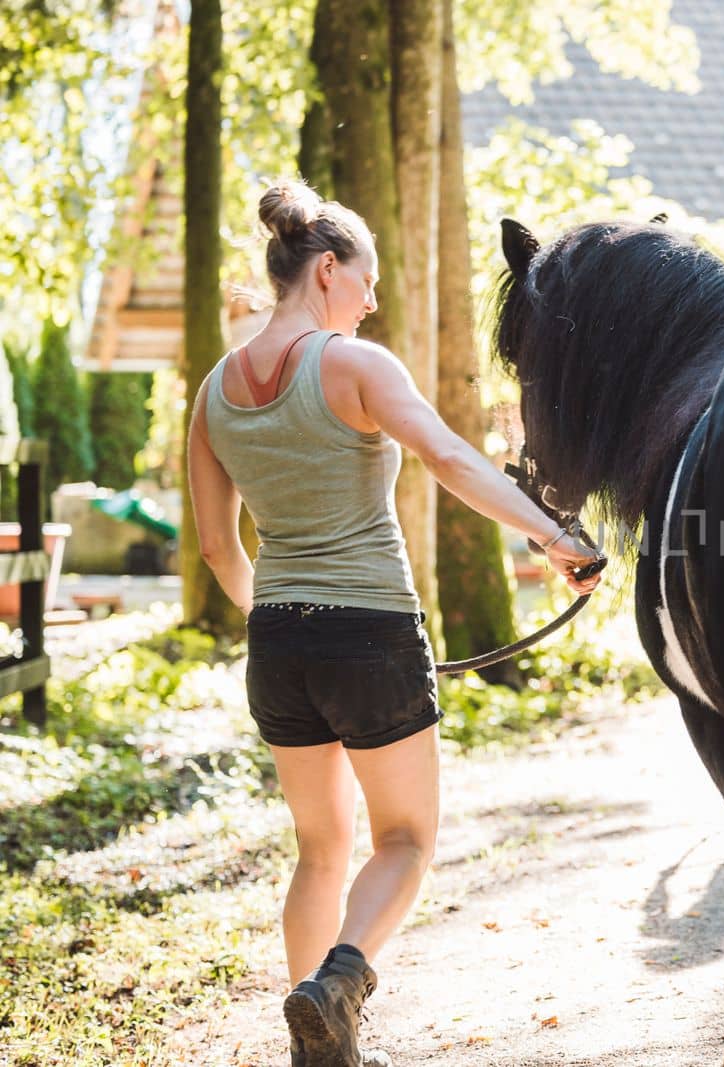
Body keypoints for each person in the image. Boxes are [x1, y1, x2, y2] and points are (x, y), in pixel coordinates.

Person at [188, 180, 602, 1067]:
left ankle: (316, 1045)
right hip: (371, 633)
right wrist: (556, 535)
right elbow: (449, 456)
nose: (373, 300)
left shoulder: (214, 391)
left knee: (318, 849)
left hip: (277, 639)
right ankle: (338, 983)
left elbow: (220, 550)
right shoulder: (355, 366)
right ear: (328, 270)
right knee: (407, 841)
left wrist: (282, 612)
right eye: (366, 280)